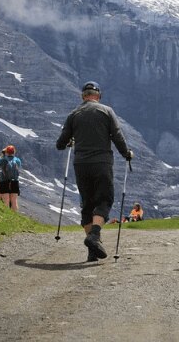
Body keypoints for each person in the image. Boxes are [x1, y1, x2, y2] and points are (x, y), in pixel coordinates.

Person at [56, 81, 134, 262]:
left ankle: (92, 251)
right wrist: (127, 153)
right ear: (98, 96)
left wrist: (69, 143)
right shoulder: (106, 111)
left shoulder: (73, 114)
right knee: (104, 199)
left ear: (83, 96)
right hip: (102, 162)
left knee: (87, 202)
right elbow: (116, 135)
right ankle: (94, 236)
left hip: (81, 164)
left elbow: (60, 144)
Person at [0, 145, 22, 211]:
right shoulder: (17, 160)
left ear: (6, 152)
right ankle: (14, 217)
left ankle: (6, 216)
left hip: (4, 181)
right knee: (14, 201)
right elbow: (19, 166)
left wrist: (1, 155)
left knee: (6, 200)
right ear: (14, 152)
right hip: (15, 181)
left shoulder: (3, 160)